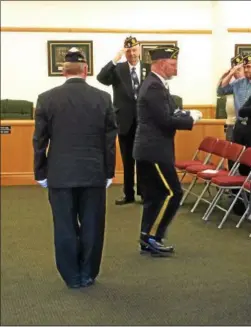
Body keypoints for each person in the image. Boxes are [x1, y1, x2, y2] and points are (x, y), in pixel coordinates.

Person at [33, 48, 117, 288]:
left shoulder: (46, 98)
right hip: (93, 173)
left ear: (63, 72)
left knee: (64, 226)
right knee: (92, 224)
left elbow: (40, 140)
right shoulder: (103, 98)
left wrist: (40, 172)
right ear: (86, 71)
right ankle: (88, 273)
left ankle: (71, 276)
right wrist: (109, 171)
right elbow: (109, 141)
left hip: (60, 174)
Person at [133, 46, 202, 256]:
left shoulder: (157, 84)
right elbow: (165, 120)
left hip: (151, 149)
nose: (176, 69)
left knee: (155, 196)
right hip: (154, 151)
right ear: (162, 64)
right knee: (172, 193)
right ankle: (154, 237)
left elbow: (168, 111)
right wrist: (191, 119)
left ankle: (147, 237)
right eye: (173, 65)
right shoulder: (154, 86)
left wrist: (185, 112)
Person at [97, 36, 150, 205]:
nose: (132, 54)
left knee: (143, 159)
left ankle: (143, 193)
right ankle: (128, 194)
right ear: (124, 52)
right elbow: (101, 78)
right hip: (124, 121)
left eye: (134, 50)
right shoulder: (118, 69)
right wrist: (115, 59)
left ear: (140, 49)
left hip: (144, 121)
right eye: (128, 51)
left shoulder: (149, 69)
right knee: (128, 160)